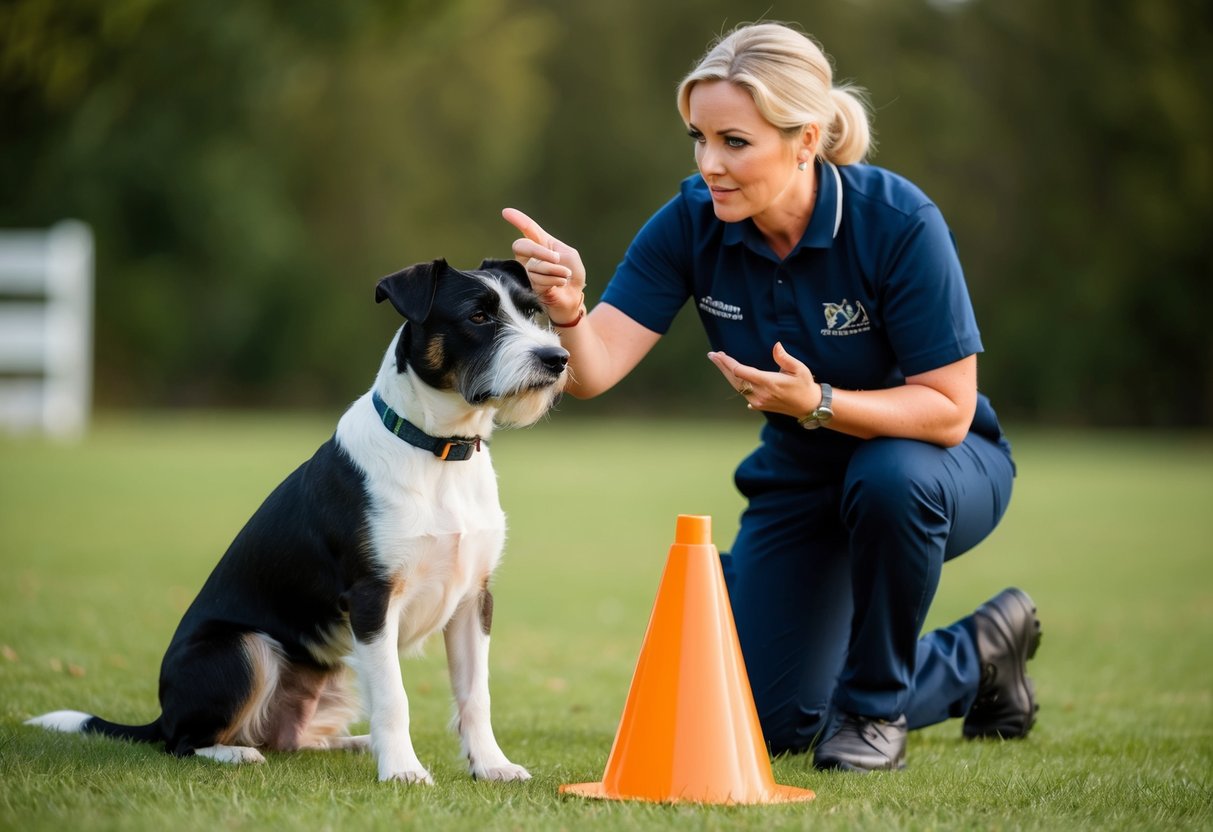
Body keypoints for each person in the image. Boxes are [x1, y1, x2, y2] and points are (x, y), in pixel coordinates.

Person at [503, 21, 1040, 772]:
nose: (709, 164)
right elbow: (592, 373)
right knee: (772, 722)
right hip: (801, 482)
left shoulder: (898, 222)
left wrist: (819, 401)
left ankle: (876, 709)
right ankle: (979, 653)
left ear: (805, 139)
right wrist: (566, 305)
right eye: (698, 138)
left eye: (734, 142)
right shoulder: (690, 221)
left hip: (939, 468)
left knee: (889, 478)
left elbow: (947, 411)